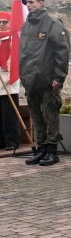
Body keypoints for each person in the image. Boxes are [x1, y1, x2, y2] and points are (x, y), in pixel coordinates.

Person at [20, 0, 70, 166]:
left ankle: (52, 151)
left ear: (41, 3)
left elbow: (62, 52)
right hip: (31, 80)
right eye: (27, 3)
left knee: (50, 116)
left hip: (48, 80)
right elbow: (24, 54)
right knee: (37, 117)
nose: (29, 5)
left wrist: (59, 77)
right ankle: (41, 149)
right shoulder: (27, 25)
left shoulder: (52, 23)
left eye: (32, 2)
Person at [0, 12, 20, 151]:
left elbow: (16, 58)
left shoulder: (14, 38)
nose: (1, 24)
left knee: (9, 113)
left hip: (7, 78)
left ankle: (11, 140)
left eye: (5, 22)